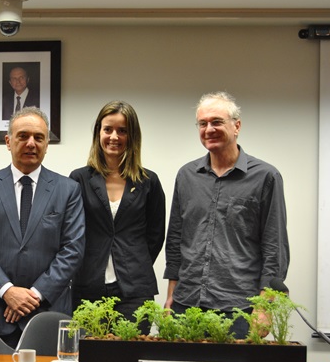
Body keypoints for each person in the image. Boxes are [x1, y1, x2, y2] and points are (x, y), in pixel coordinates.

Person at [164, 91, 289, 338]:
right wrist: (170, 297)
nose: (209, 129)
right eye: (203, 123)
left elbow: (275, 248)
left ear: (236, 126)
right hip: (186, 305)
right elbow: (176, 240)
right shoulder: (186, 176)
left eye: (217, 122)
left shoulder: (266, 177)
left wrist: (264, 309)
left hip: (240, 310)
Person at [0, 106, 85, 347]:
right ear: (8, 141)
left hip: (48, 314)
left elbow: (73, 249)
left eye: (39, 137)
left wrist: (34, 295)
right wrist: (7, 291)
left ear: (47, 144)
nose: (31, 143)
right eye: (23, 136)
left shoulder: (68, 189)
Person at [69, 100, 165, 332]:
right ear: (98, 133)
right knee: (88, 358)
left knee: (129, 359)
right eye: (108, 129)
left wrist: (132, 261)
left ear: (132, 136)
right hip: (88, 286)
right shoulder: (79, 179)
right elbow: (70, 233)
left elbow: (155, 235)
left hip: (135, 290)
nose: (114, 136)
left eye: (122, 131)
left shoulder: (147, 181)